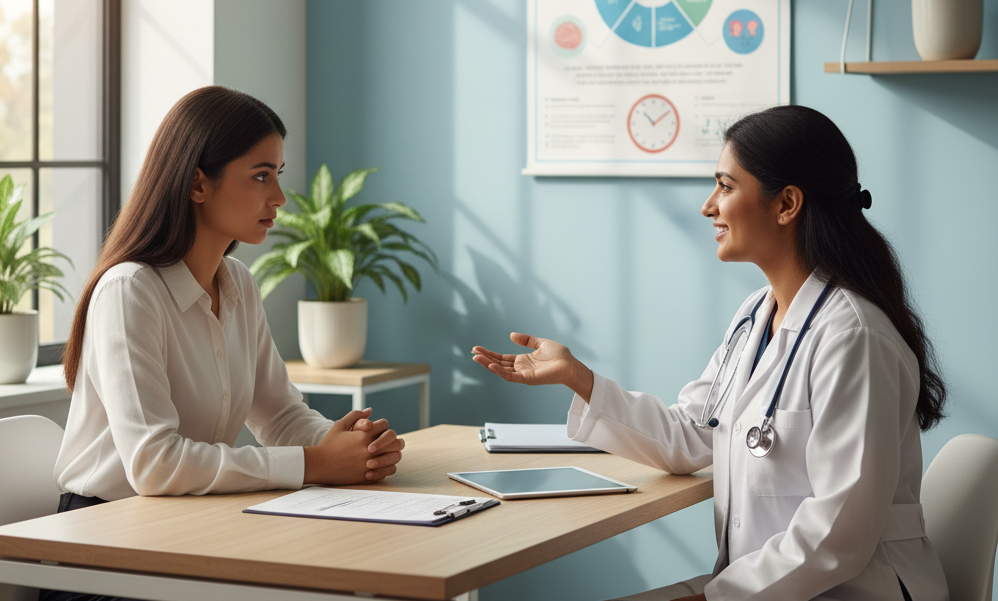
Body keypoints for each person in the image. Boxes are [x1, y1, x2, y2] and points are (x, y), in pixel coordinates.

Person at [472, 105, 948, 601]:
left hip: (853, 590)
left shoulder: (853, 338)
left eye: (725, 186)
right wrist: (578, 377)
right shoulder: (755, 316)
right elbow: (691, 435)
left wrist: (710, 598)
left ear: (786, 204)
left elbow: (839, 535)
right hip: (762, 586)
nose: (708, 206)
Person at [48, 87, 404, 601]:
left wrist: (350, 447)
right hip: (103, 549)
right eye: (261, 176)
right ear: (197, 183)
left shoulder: (237, 283)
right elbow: (155, 463)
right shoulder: (130, 291)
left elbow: (280, 416)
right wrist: (317, 464)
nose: (279, 198)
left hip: (186, 531)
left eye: (278, 175)